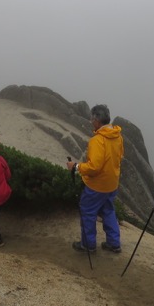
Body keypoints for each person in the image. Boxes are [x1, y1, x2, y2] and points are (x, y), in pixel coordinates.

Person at [65, 104, 124, 254]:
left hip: (97, 186)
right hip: (112, 183)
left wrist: (76, 166)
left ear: (97, 120)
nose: (91, 121)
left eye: (92, 119)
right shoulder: (118, 136)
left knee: (88, 212)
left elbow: (94, 167)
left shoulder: (97, 140)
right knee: (108, 211)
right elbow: (120, 157)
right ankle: (114, 243)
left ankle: (88, 245)